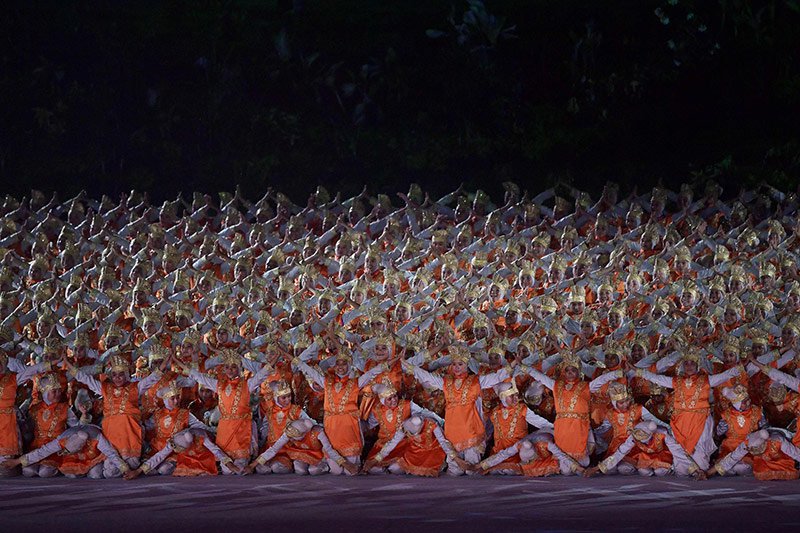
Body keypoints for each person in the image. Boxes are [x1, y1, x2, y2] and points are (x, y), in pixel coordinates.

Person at [180, 348, 273, 474]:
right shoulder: (219, 385)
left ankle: (249, 463)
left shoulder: (247, 384)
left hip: (241, 429)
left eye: (234, 367)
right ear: (224, 369)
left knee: (240, 467)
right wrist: (182, 366)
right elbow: (200, 377)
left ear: (239, 369)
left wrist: (273, 362)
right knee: (226, 470)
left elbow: (261, 376)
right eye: (227, 367)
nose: (230, 370)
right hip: (225, 429)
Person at [523, 351, 624, 466]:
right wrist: (527, 369)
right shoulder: (557, 386)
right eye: (567, 370)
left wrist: (614, 374)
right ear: (564, 372)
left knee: (583, 462)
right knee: (564, 463)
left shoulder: (585, 386)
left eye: (573, 370)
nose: (570, 372)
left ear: (578, 372)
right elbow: (542, 378)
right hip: (563, 427)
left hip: (578, 427)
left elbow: (600, 380)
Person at [584, 421, 706, 479]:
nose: (645, 443)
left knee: (660, 472)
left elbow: (678, 453)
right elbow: (620, 453)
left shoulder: (662, 434)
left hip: (662, 456)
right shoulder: (634, 437)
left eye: (646, 440)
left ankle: (670, 469)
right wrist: (597, 468)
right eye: (641, 442)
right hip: (645, 457)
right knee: (644, 472)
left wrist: (696, 470)